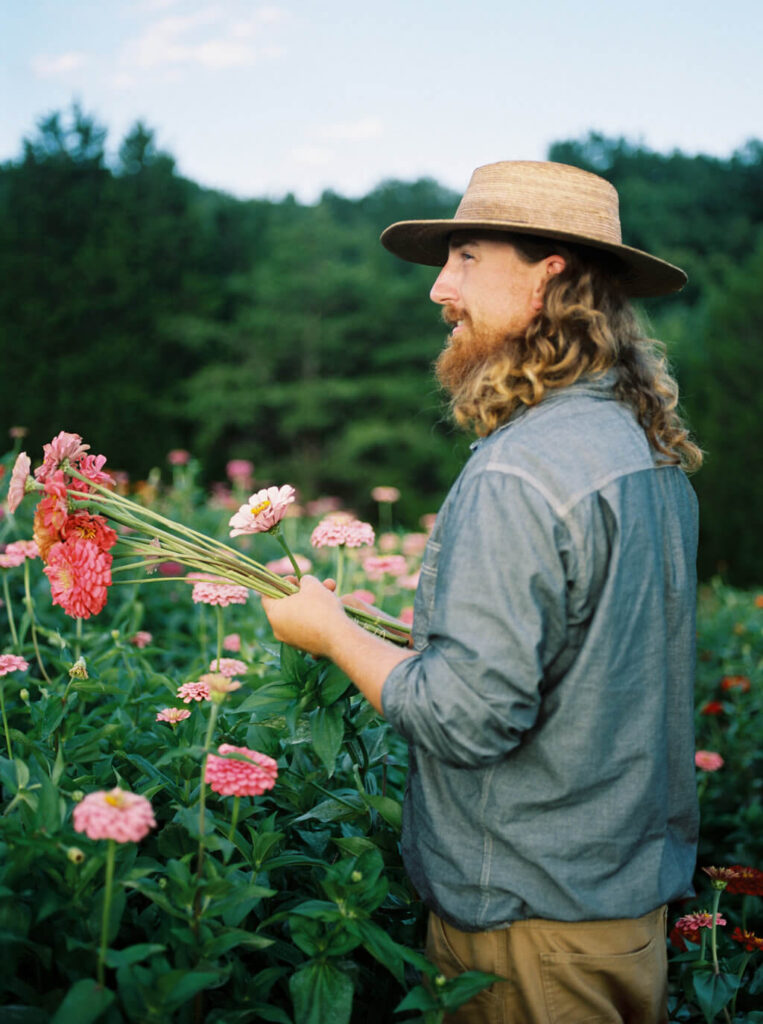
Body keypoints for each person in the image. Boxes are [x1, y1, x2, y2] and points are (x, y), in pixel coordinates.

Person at [262, 160, 702, 1023]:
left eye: (465, 257)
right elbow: (589, 655)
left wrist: (332, 634)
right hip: (619, 916)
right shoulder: (641, 449)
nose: (439, 289)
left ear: (550, 278)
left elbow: (468, 718)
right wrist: (414, 632)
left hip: (526, 931)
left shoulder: (519, 470)